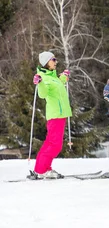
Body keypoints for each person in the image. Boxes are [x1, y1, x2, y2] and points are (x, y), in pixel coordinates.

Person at [28, 51, 73, 179]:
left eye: (55, 59)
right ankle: (42, 170)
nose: (55, 61)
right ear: (46, 62)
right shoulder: (43, 77)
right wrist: (40, 83)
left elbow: (57, 87)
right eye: (53, 59)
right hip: (55, 115)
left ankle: (43, 168)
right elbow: (43, 94)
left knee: (50, 143)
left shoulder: (52, 76)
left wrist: (63, 77)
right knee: (55, 145)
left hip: (60, 115)